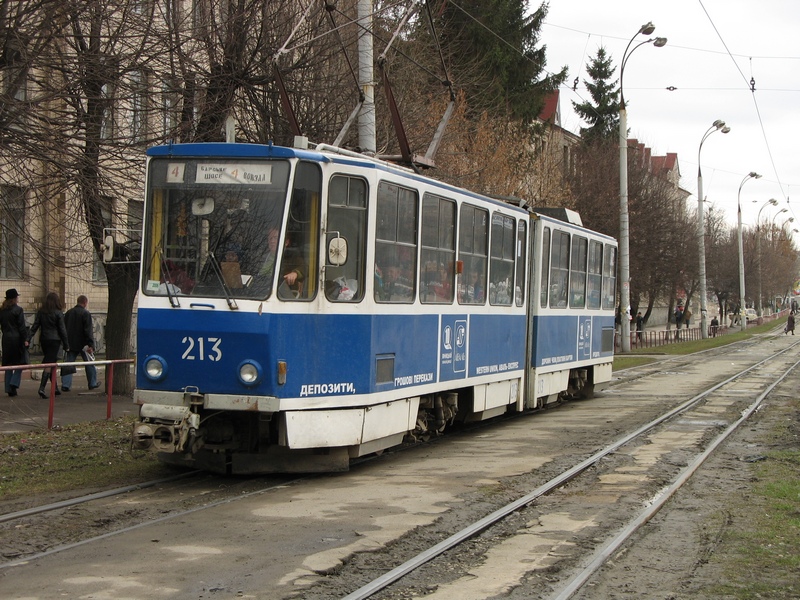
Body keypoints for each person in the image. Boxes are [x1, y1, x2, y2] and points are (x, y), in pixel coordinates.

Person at [28, 291, 69, 399]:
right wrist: (66, 344)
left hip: (44, 340)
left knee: (51, 363)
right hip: (55, 340)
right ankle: (42, 388)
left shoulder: (42, 312)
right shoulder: (58, 313)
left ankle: (55, 388)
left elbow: (35, 326)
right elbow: (62, 330)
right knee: (49, 363)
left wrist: (28, 338)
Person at [61, 295, 99, 392]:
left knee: (68, 364)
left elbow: (64, 328)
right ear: (85, 302)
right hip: (83, 344)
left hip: (70, 343)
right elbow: (88, 330)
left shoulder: (68, 313)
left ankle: (65, 385)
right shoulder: (85, 314)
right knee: (89, 363)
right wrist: (91, 345)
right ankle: (92, 383)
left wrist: (65, 343)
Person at [258, 228, 304, 297]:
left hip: (280, 297)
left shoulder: (292, 256)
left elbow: (306, 267)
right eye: (270, 238)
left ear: (286, 242)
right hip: (259, 292)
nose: (272, 241)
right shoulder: (260, 256)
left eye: (276, 238)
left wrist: (295, 273)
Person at [0, 289, 29, 396]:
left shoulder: (2, 310)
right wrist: (25, 339)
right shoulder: (18, 310)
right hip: (17, 339)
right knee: (20, 363)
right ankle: (14, 383)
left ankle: (9, 388)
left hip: (6, 339)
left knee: (8, 364)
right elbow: (21, 327)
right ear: (14, 298)